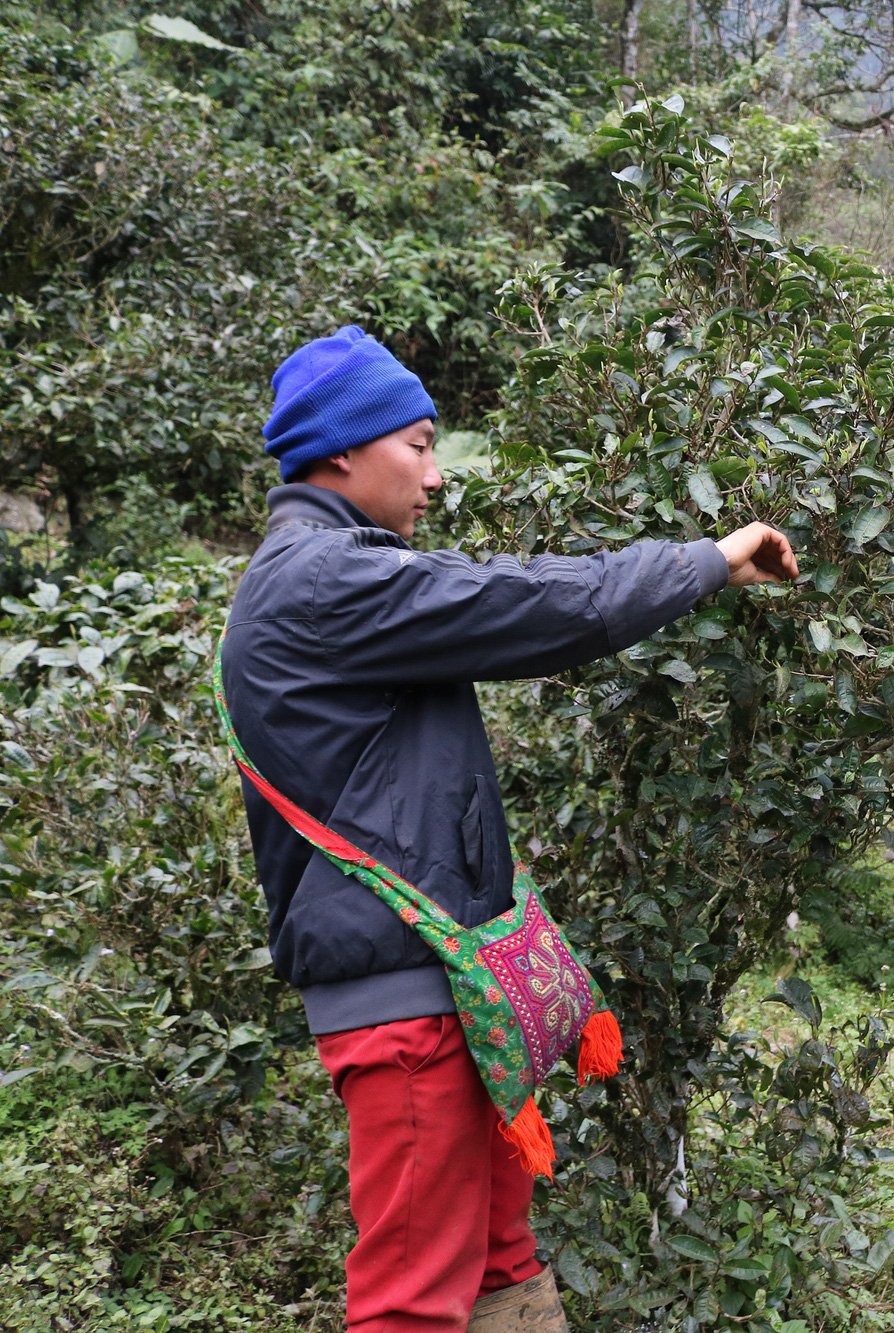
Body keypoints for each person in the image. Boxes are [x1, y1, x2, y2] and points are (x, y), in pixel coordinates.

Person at [223, 326, 797, 1333]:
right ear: (345, 450)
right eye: (418, 444)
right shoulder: (324, 580)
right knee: (411, 1303)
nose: (435, 476)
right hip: (404, 1008)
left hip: (441, 996)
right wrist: (705, 558)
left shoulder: (331, 572)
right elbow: (532, 602)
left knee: (497, 1263)